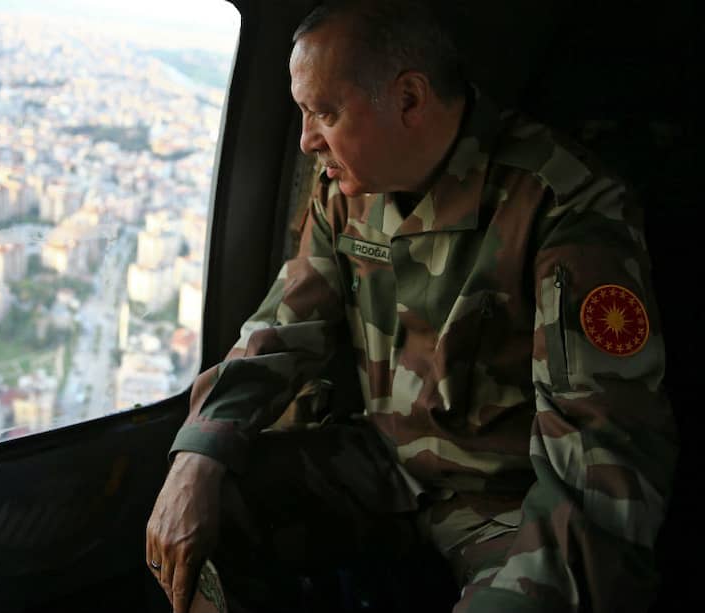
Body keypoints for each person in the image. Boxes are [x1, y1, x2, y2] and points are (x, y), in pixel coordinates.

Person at [146, 1, 678, 612]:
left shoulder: (563, 206)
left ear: (408, 100)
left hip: (509, 504)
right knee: (198, 513)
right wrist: (200, 450)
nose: (305, 140)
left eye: (324, 112)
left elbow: (599, 461)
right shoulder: (344, 194)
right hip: (386, 466)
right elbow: (283, 327)